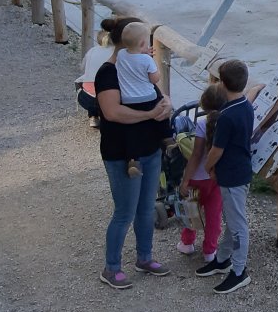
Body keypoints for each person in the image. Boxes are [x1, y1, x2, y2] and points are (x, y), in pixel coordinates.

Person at [94, 17, 173, 289]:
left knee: (146, 207)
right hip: (122, 153)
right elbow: (112, 112)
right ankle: (111, 268)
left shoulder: (139, 64)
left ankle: (145, 257)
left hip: (149, 148)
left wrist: (166, 103)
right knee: (124, 212)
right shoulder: (108, 73)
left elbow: (157, 93)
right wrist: (150, 114)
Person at [199, 58, 254, 294]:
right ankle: (222, 259)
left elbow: (216, 150)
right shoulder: (245, 106)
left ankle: (239, 271)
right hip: (241, 170)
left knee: (237, 225)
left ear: (222, 83)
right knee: (232, 220)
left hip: (231, 177)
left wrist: (208, 167)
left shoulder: (226, 116)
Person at [177, 83, 226, 267]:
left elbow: (196, 155)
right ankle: (210, 251)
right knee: (214, 217)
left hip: (196, 179)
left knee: (192, 212)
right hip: (216, 179)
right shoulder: (226, 122)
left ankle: (187, 243)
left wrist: (185, 180)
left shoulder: (202, 124)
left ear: (203, 105)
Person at [115, 22, 167, 178]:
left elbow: (130, 58)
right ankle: (168, 138)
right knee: (161, 111)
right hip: (147, 97)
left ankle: (133, 161)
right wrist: (151, 63)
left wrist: (141, 51)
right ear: (143, 43)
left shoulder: (121, 54)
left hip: (128, 99)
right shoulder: (146, 60)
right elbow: (154, 79)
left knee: (132, 130)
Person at [76, 15, 141, 130]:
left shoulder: (92, 51)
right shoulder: (122, 54)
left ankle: (93, 116)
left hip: (87, 98)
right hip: (110, 102)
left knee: (83, 81)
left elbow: (82, 68)